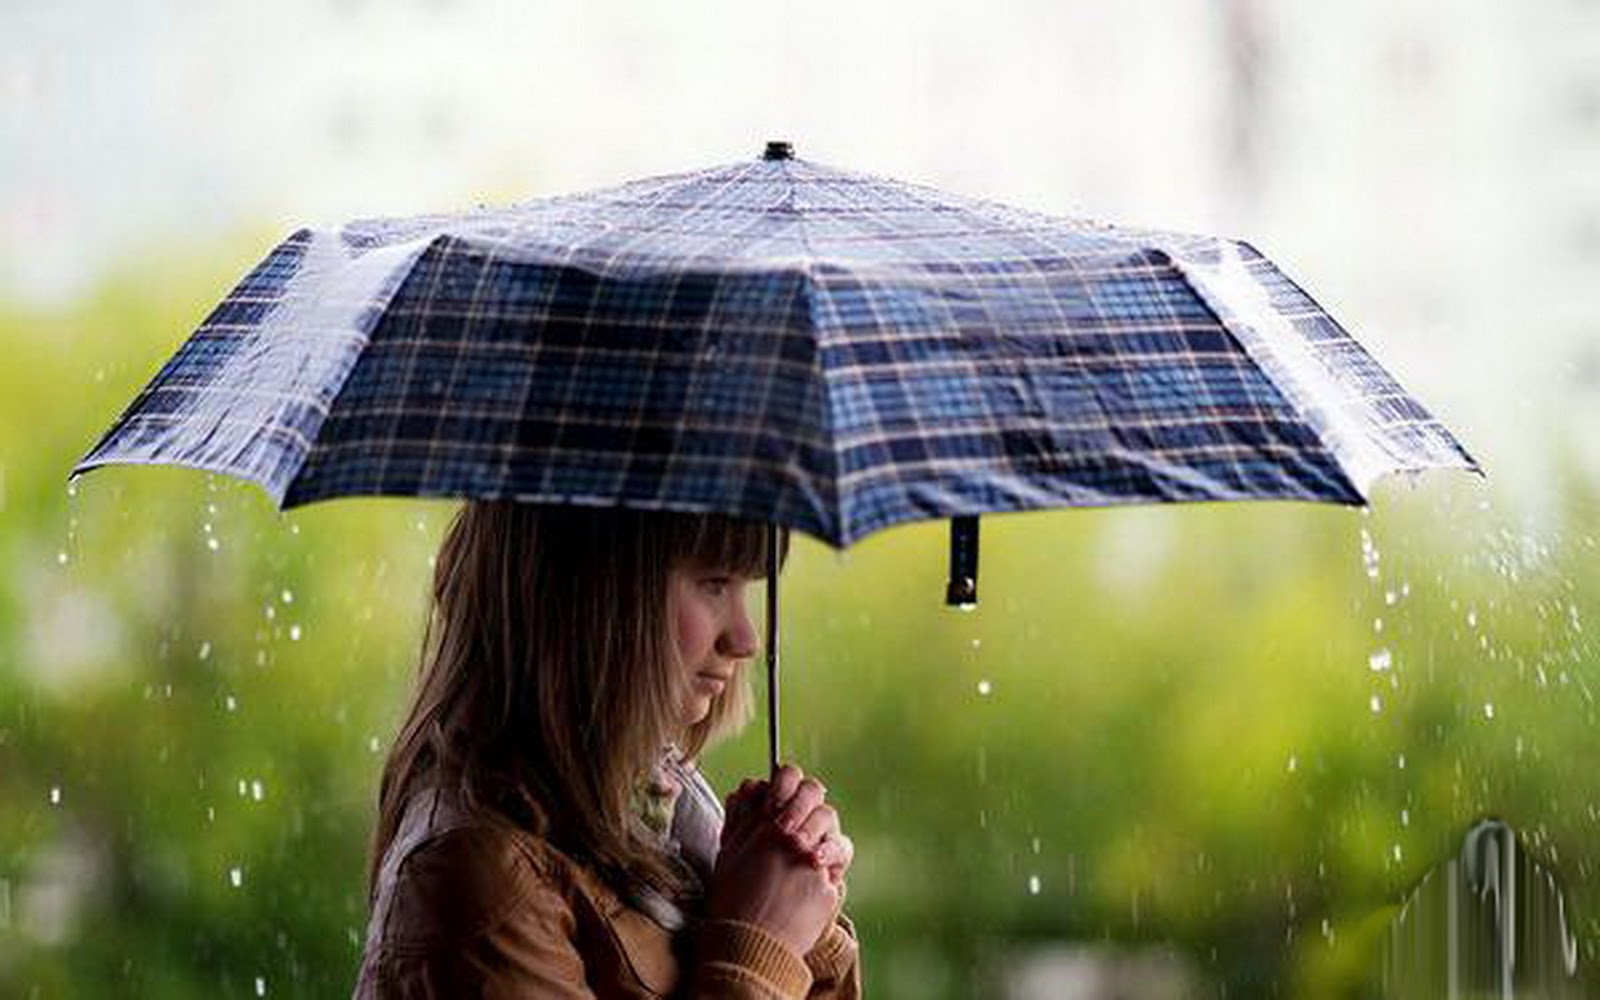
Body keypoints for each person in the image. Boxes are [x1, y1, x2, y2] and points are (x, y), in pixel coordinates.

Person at [353, 502, 861, 998]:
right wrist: (761, 951)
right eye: (713, 583)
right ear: (591, 592)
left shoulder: (670, 831)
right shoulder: (480, 883)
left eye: (744, 588)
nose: (746, 639)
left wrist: (805, 927)